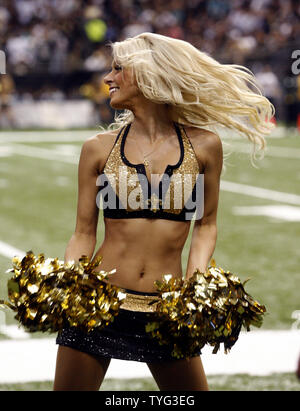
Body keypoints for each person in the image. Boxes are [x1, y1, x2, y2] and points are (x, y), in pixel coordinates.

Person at [53, 32, 274, 391]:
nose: (108, 78)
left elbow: (205, 226)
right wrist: (72, 284)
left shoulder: (204, 146)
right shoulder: (97, 149)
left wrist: (194, 288)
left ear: (147, 75)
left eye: (118, 69)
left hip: (166, 310)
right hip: (99, 304)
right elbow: (82, 232)